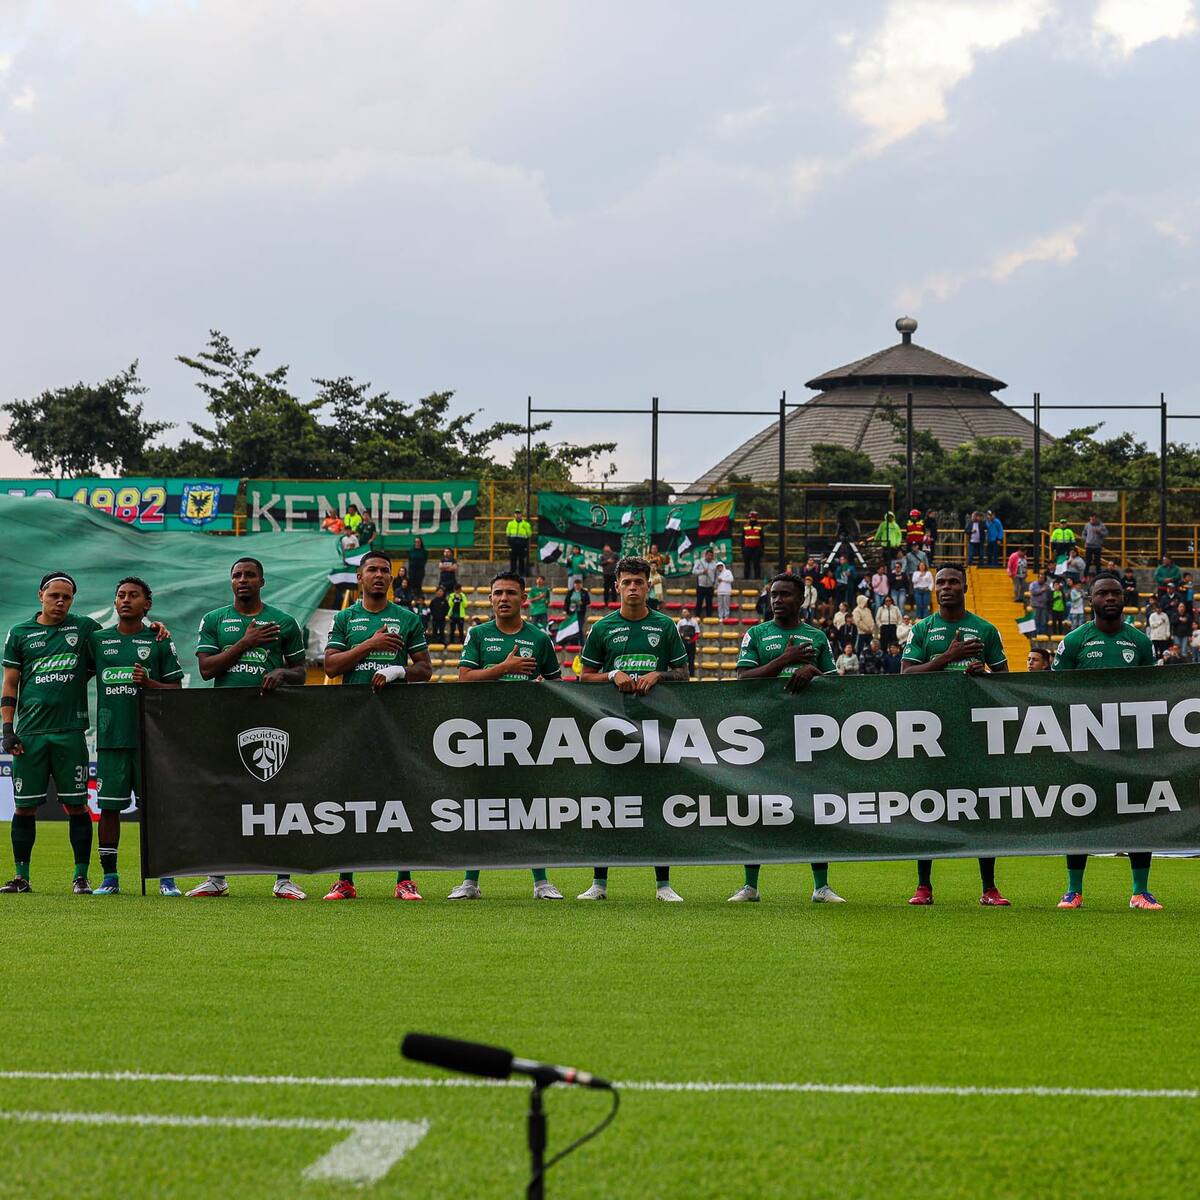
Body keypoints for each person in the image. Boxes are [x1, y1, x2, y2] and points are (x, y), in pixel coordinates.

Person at [190, 557, 307, 899]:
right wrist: (245, 642)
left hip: (271, 720)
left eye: (250, 575)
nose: (243, 580)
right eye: (237, 575)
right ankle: (217, 877)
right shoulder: (214, 620)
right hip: (225, 718)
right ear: (231, 582)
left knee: (276, 796)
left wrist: (283, 673)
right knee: (222, 796)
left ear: (262, 581)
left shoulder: (283, 622)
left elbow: (300, 671)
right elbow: (207, 670)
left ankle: (283, 878)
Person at [322, 550, 433, 902]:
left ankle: (404, 879)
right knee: (349, 800)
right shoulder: (345, 619)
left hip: (396, 721)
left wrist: (398, 670)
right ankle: (345, 880)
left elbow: (425, 669)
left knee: (401, 799)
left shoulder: (407, 618)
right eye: (372, 570)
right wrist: (370, 645)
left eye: (385, 570)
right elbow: (331, 666)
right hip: (353, 720)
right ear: (360, 577)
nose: (379, 575)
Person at [577, 557, 689, 901]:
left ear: (648, 584)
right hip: (611, 729)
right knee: (606, 806)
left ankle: (663, 885)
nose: (633, 588)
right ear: (617, 587)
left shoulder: (664, 626)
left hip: (656, 729)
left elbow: (684, 673)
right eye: (626, 582)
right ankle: (598, 884)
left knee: (658, 805)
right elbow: (585, 676)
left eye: (639, 582)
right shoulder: (602, 628)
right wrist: (612, 675)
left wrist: (660, 674)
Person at [731, 571, 844, 905]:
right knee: (757, 810)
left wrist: (814, 671)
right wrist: (785, 660)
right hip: (763, 734)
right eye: (773, 595)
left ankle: (821, 887)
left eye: (785, 595)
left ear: (802, 599)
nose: (777, 600)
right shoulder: (756, 634)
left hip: (808, 736)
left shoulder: (817, 637)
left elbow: (836, 685)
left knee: (814, 809)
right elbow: (742, 679)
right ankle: (750, 886)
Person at [901, 564, 1010, 906]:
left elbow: (1006, 680)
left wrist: (984, 675)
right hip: (932, 732)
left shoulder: (985, 629)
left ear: (964, 586)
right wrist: (948, 658)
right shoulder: (922, 629)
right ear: (934, 588)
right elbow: (906, 675)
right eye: (941, 582)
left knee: (983, 809)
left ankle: (989, 888)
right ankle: (923, 886)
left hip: (975, 732)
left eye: (953, 582)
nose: (946, 587)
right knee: (927, 807)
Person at [451, 572, 564, 901]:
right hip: (482, 733)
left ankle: (541, 881)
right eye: (497, 593)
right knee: (479, 807)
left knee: (530, 807)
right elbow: (465, 679)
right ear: (489, 599)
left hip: (526, 736)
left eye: (510, 593)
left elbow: (557, 687)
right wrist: (503, 668)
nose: (504, 598)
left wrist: (545, 691)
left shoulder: (539, 639)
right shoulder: (479, 634)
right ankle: (470, 881)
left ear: (523, 598)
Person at [1052, 573, 1161, 910]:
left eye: (1116, 592)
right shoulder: (1073, 641)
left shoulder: (1140, 642)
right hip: (1085, 745)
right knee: (1080, 812)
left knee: (1140, 812)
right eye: (1103, 593)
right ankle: (1073, 891)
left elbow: (1156, 693)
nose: (1111, 598)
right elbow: (1051, 692)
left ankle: (1140, 892)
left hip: (1131, 745)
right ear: (1090, 599)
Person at [1, 573, 106, 894]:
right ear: (40, 596)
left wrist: (155, 628)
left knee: (76, 806)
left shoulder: (84, 628)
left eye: (67, 597)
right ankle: (21, 877)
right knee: (24, 807)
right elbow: (10, 683)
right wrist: (7, 729)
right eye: (54, 596)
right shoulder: (20, 633)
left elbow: (118, 641)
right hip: (30, 734)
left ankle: (81, 877)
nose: (60, 601)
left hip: (70, 733)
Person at [90, 578, 184, 897]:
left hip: (150, 742)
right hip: (111, 740)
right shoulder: (98, 640)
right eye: (120, 595)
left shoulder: (158, 640)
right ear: (115, 603)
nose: (126, 600)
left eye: (133, 595)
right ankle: (110, 878)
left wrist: (150, 684)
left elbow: (176, 690)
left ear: (148, 604)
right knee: (109, 810)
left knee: (155, 811)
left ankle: (166, 878)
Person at [506, 510, 532, 577]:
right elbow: (508, 533)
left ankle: (521, 574)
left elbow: (529, 534)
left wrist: (525, 542)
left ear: (521, 515)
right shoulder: (510, 523)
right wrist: (509, 543)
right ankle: (512, 573)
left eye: (519, 513)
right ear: (514, 515)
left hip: (522, 544)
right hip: (513, 544)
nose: (517, 515)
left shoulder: (525, 524)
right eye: (516, 513)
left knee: (521, 560)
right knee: (513, 559)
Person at [693, 549, 717, 618]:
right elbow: (694, 571)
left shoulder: (714, 563)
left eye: (711, 556)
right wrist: (702, 571)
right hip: (701, 586)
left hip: (710, 586)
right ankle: (697, 616)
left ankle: (709, 617)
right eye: (708, 555)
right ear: (705, 555)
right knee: (699, 602)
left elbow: (716, 574)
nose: (709, 557)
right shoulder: (699, 561)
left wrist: (715, 584)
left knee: (709, 603)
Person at [741, 510, 764, 579]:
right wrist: (742, 548)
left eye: (754, 518)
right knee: (747, 564)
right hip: (747, 548)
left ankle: (757, 578)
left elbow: (762, 539)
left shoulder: (759, 527)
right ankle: (746, 578)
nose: (753, 519)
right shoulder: (745, 527)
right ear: (749, 518)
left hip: (757, 548)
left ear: (756, 518)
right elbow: (742, 538)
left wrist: (762, 549)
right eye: (751, 518)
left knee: (756, 564)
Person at [677, 607, 700, 676]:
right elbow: (677, 632)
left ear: (688, 612)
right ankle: (683, 674)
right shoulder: (681, 622)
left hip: (691, 643)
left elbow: (697, 633)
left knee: (691, 659)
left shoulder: (694, 622)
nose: (684, 614)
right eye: (683, 612)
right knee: (683, 660)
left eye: (685, 612)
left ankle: (692, 674)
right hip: (683, 643)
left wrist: (692, 640)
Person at [1028, 572, 1051, 637]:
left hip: (1044, 606)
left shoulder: (1047, 585)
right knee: (1036, 620)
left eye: (1043, 578)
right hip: (1036, 605)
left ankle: (1042, 633)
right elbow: (1032, 592)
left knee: (1043, 621)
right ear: (1038, 578)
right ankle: (1036, 633)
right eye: (1040, 578)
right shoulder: (1033, 584)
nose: (1041, 579)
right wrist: (1042, 590)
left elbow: (1050, 594)